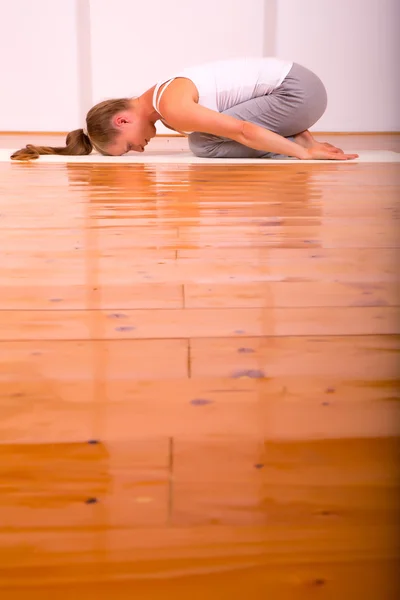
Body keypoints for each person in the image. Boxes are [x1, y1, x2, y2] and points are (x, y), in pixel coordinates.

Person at [11, 56, 358, 161]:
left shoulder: (173, 106)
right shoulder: (164, 94)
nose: (141, 147)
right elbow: (252, 108)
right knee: (206, 134)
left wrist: (304, 155)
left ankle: (294, 147)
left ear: (122, 119)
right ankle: (298, 140)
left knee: (203, 143)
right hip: (301, 90)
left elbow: (243, 129)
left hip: (297, 93)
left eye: (130, 145)